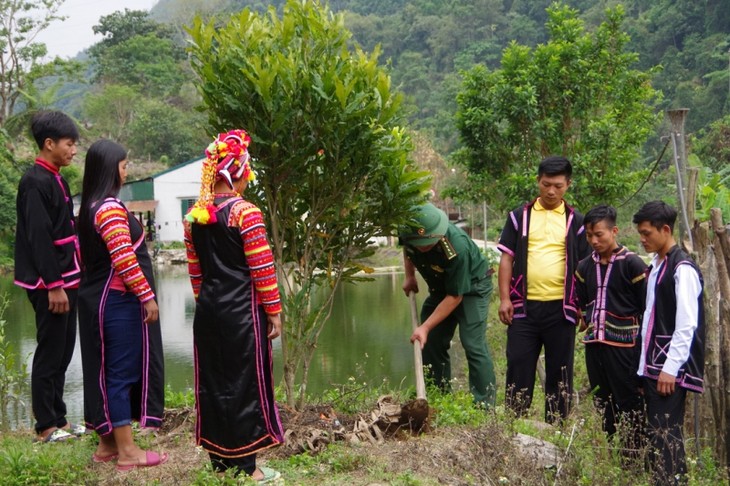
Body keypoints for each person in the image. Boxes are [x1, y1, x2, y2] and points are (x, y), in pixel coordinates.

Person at [184, 129, 284, 483]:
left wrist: (208, 303)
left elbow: (196, 273)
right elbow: (262, 268)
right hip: (242, 312)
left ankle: (220, 464)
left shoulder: (195, 216)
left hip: (209, 311)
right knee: (245, 384)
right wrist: (273, 310)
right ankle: (248, 467)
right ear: (238, 173)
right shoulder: (246, 213)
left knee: (213, 383)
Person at [77, 139, 167, 470]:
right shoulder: (111, 208)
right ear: (110, 169)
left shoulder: (89, 209)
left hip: (97, 299)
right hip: (117, 301)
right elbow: (125, 259)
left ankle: (107, 446)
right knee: (120, 374)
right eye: (124, 165)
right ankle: (129, 452)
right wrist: (147, 296)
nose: (126, 172)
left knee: (105, 370)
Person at [497, 155, 590, 423]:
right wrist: (505, 299)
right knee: (518, 366)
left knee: (560, 371)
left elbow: (585, 267)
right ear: (538, 181)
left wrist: (584, 308)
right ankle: (514, 426)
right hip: (523, 308)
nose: (551, 191)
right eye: (546, 184)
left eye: (558, 186)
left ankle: (557, 430)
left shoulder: (577, 222)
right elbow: (506, 259)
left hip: (562, 309)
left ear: (568, 185)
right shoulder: (519, 218)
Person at [14, 111, 85, 442]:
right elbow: (39, 237)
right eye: (70, 144)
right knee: (50, 351)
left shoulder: (58, 178)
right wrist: (54, 286)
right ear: (49, 144)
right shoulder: (34, 182)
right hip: (49, 284)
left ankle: (60, 418)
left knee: (64, 350)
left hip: (67, 279)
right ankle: (46, 426)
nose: (73, 150)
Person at [633, 201, 704, 485]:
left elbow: (687, 324)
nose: (642, 238)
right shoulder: (658, 265)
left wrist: (671, 368)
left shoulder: (682, 268)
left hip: (667, 369)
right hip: (654, 366)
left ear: (665, 229)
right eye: (640, 232)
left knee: (666, 435)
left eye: (647, 233)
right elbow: (650, 316)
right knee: (658, 434)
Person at [399, 202, 496, 407]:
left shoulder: (456, 246)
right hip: (441, 288)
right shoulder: (408, 233)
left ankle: (484, 406)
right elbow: (408, 251)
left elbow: (455, 297)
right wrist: (410, 277)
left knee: (472, 343)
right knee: (432, 340)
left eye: (427, 243)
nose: (423, 247)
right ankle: (437, 397)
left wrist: (424, 327)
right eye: (419, 243)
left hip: (472, 288)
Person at [574, 205, 647, 457]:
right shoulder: (584, 267)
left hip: (625, 348)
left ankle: (636, 456)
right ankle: (613, 453)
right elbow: (583, 303)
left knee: (629, 400)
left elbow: (645, 306)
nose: (594, 241)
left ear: (614, 231)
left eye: (599, 235)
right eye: (589, 236)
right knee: (603, 400)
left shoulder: (633, 265)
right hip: (595, 345)